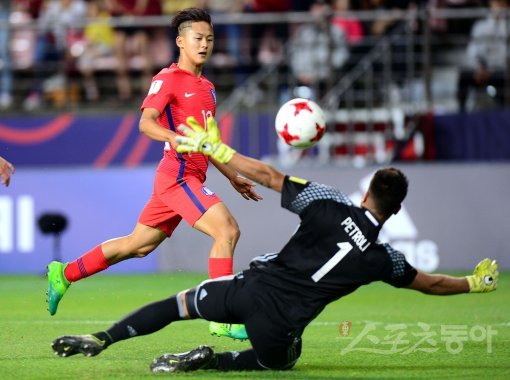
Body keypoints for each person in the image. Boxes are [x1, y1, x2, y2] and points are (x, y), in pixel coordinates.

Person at [51, 116, 499, 373]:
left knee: (177, 304)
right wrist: (472, 284)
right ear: (396, 211)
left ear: (365, 194)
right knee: (282, 361)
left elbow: (269, 177)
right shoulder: (384, 259)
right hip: (278, 325)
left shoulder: (328, 204)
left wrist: (220, 151)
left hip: (247, 288)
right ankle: (211, 364)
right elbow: (431, 284)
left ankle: (102, 337)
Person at [46, 8, 262, 341]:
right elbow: (146, 122)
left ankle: (64, 273)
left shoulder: (208, 88)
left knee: (138, 245)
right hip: (177, 176)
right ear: (181, 41)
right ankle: (222, 316)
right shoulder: (168, 78)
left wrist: (231, 174)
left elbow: (208, 143)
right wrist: (171, 136)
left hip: (188, 177)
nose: (204, 44)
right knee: (227, 231)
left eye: (210, 39)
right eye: (197, 38)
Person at [456, 0, 509, 112]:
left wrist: (491, 71)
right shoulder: (480, 26)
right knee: (464, 75)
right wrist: (478, 68)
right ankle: (461, 112)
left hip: (501, 71)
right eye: (495, 4)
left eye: (501, 4)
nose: (497, 8)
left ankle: (504, 113)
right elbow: (472, 51)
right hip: (481, 71)